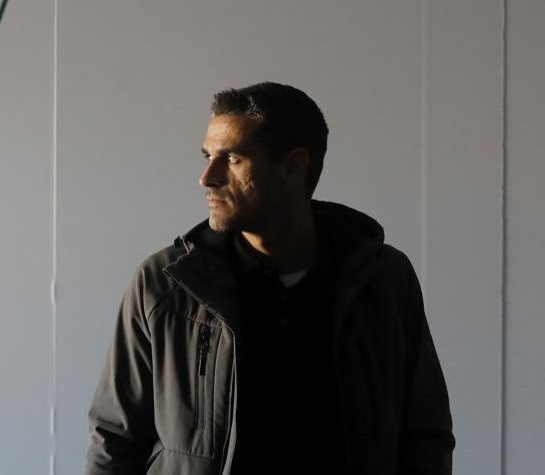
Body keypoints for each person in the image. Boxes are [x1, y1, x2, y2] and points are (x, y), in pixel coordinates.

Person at [85, 82, 454, 474]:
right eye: (208, 156)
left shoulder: (382, 279)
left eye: (232, 158)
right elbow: (116, 436)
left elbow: (424, 433)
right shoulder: (167, 284)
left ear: (293, 166)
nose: (207, 177)